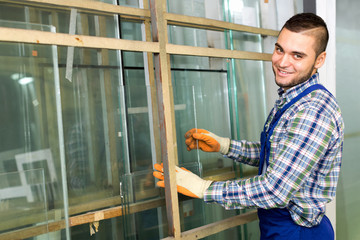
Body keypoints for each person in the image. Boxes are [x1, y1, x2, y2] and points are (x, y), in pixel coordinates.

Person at [153, 13, 344, 240]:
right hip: (282, 228)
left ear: (319, 60)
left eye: (297, 55)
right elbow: (279, 157)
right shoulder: (294, 99)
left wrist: (203, 188)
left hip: (299, 232)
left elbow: (275, 190)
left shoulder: (312, 111)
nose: (282, 62)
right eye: (280, 49)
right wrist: (224, 146)